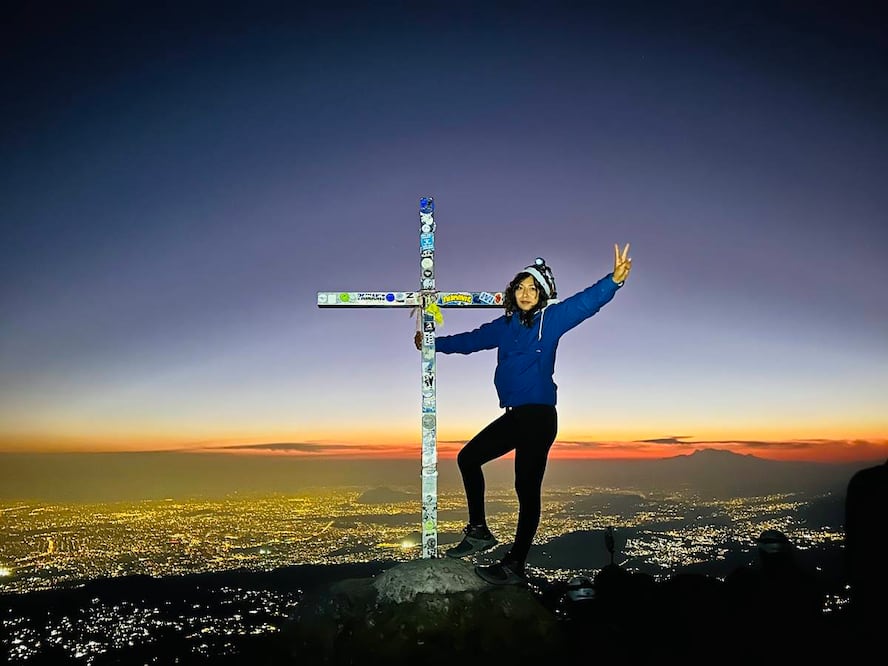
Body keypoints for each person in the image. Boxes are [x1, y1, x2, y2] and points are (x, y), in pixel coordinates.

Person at [414, 244, 632, 584]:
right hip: (515, 415)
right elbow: (472, 340)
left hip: (539, 416)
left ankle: (515, 564)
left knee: (526, 488)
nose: (526, 293)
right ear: (512, 292)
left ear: (542, 293)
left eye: (533, 288)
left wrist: (613, 281)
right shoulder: (506, 325)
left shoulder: (550, 320)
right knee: (468, 458)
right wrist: (433, 343)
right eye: (521, 287)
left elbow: (584, 304)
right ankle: (479, 531)